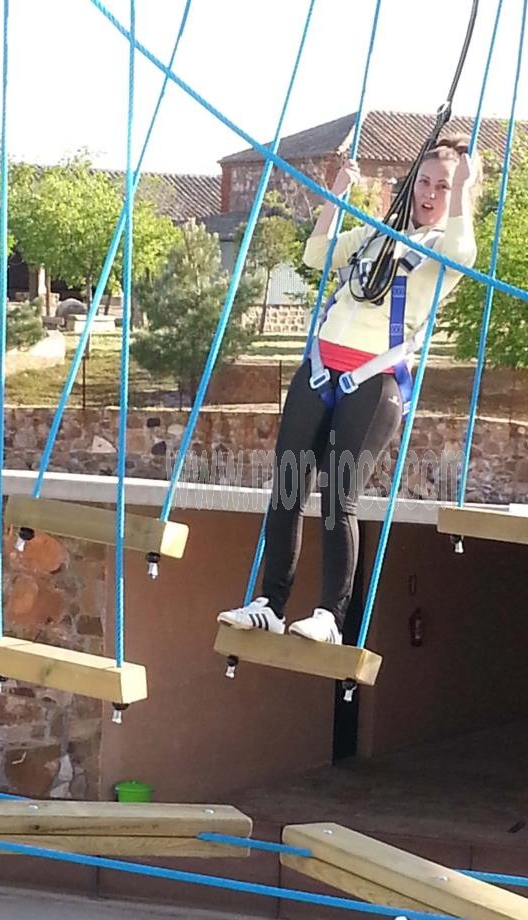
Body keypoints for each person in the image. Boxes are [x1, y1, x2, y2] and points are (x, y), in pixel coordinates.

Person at [218, 136, 481, 644]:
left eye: (442, 187)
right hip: (320, 370)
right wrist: (337, 193)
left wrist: (464, 189)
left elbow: (462, 250)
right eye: (424, 182)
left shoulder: (440, 253)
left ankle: (329, 616)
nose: (429, 194)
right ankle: (270, 604)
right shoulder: (374, 234)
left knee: (339, 499)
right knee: (287, 491)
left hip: (373, 381)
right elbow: (316, 254)